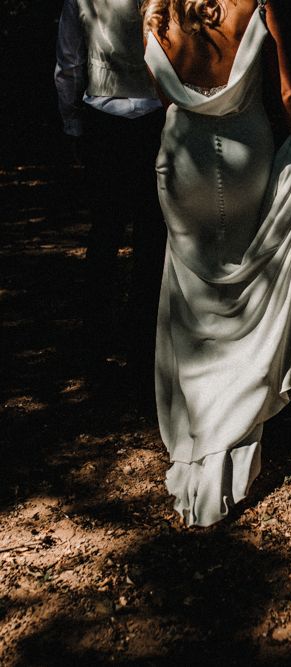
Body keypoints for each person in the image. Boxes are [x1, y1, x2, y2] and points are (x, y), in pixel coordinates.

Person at [142, 0, 291, 526]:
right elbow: (289, 92)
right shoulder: (258, 4)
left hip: (184, 162)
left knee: (194, 302)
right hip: (247, 153)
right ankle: (237, 429)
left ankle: (202, 433)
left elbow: (161, 94)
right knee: (245, 295)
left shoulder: (156, 11)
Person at [55, 0, 166, 398]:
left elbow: (69, 63)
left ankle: (96, 346)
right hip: (154, 116)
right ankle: (142, 349)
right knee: (150, 236)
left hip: (103, 117)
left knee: (104, 232)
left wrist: (72, 124)